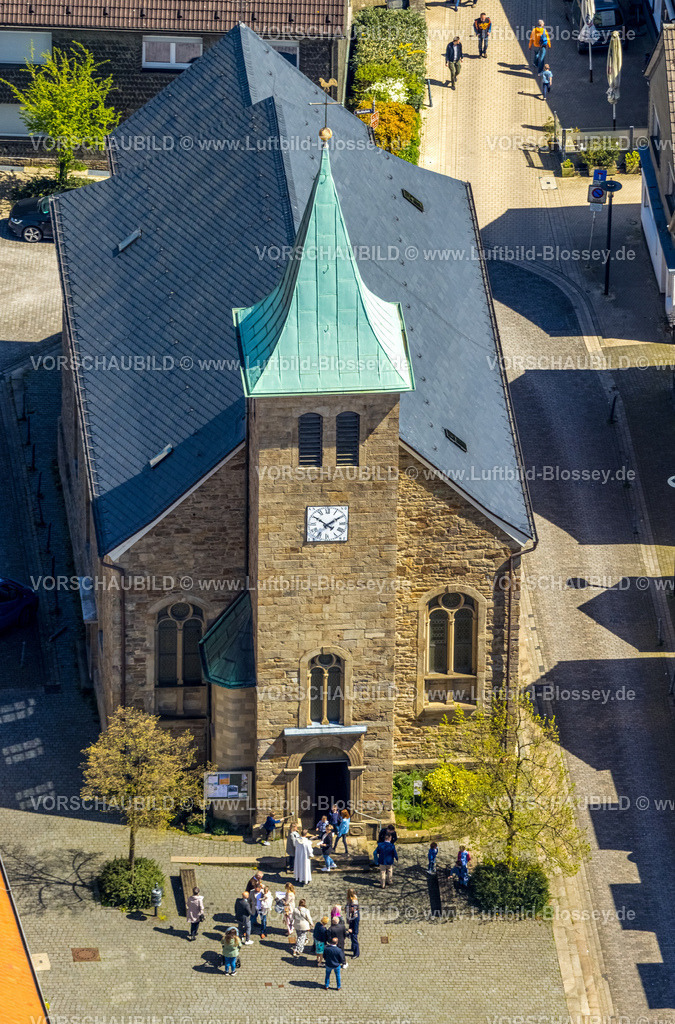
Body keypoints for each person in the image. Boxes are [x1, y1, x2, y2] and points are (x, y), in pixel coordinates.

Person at [346, 889, 360, 958]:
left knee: (354, 936)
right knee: (351, 935)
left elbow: (355, 925)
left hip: (354, 920)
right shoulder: (353, 898)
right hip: (353, 918)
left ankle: (356, 953)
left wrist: (354, 931)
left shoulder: (355, 916)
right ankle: (353, 948)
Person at [283, 882, 296, 947]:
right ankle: (292, 928)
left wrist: (282, 900)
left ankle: (289, 931)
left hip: (288, 908)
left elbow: (286, 902)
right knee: (291, 918)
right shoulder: (293, 892)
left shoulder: (288, 894)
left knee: (288, 919)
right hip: (292, 906)